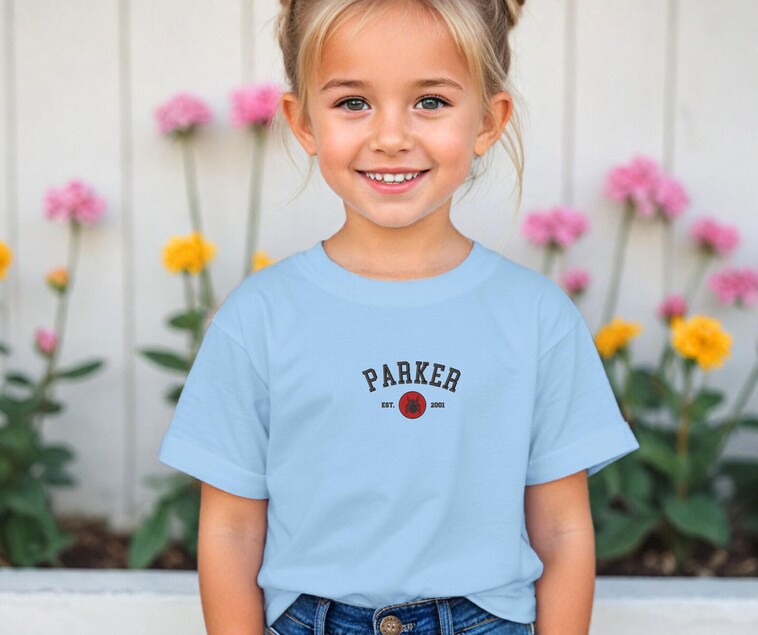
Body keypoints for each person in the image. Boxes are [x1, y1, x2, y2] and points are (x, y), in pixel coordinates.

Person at [157, 1, 640, 634]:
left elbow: (563, 527)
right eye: (353, 102)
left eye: (430, 102)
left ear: (488, 121)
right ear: (302, 122)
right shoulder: (259, 317)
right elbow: (230, 529)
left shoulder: (537, 317)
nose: (391, 136)